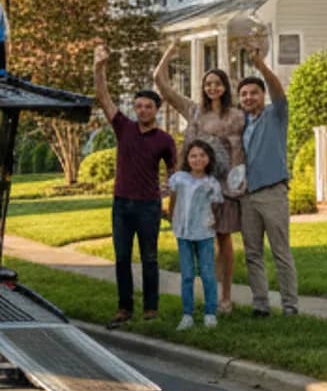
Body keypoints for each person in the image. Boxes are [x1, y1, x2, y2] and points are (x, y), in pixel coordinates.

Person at [152, 43, 246, 314]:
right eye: (208, 84)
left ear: (225, 87)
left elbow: (242, 152)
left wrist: (236, 183)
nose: (212, 88)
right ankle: (204, 297)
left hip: (223, 187)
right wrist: (169, 52)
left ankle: (225, 296)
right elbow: (162, 84)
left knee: (223, 240)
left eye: (217, 83)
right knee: (196, 240)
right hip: (194, 186)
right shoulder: (193, 110)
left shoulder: (236, 115)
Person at [93, 42, 178, 327]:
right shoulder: (124, 127)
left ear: (157, 110)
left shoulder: (164, 140)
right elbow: (103, 97)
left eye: (148, 106)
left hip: (149, 206)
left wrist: (171, 204)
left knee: (150, 259)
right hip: (121, 205)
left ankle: (150, 309)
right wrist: (99, 67)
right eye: (138, 106)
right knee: (121, 258)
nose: (142, 110)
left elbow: (174, 174)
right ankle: (124, 308)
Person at [234, 37, 299, 316]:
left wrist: (260, 65)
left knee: (281, 252)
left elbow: (277, 89)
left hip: (273, 192)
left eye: (253, 93)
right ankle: (260, 304)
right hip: (247, 196)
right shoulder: (240, 122)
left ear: (262, 95)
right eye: (244, 94)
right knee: (252, 254)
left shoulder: (276, 114)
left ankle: (290, 306)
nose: (249, 97)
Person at [164, 139, 224, 330]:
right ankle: (187, 315)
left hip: (205, 234)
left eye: (201, 155)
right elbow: (172, 202)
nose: (197, 159)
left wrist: (212, 223)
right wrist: (173, 219)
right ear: (187, 159)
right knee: (187, 275)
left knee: (207, 274)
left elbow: (216, 208)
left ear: (208, 158)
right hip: (183, 233)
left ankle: (210, 313)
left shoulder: (212, 183)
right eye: (193, 156)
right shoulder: (179, 178)